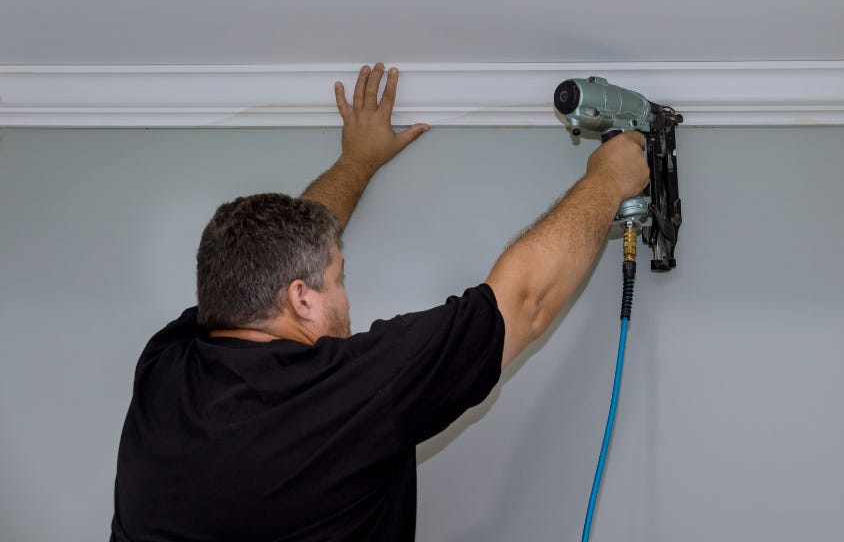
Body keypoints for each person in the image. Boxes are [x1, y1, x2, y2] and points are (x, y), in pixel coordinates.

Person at [110, 63, 649, 541]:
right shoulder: (349, 392)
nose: (346, 294)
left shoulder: (165, 368)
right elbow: (525, 302)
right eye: (338, 278)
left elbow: (275, 254)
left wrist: (358, 162)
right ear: (300, 298)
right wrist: (607, 181)